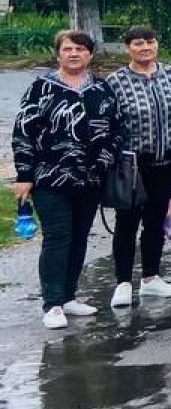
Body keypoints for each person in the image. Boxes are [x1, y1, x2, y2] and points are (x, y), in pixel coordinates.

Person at [14, 31, 120, 330]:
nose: (74, 54)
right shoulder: (41, 88)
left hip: (90, 179)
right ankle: (52, 304)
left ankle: (69, 296)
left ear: (90, 54)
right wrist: (24, 174)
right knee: (57, 237)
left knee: (79, 236)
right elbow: (23, 132)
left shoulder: (101, 88)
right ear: (58, 54)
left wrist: (105, 160)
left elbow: (116, 130)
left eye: (80, 49)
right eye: (68, 49)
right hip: (50, 178)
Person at [102, 26, 171, 307]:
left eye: (150, 42)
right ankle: (123, 283)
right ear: (128, 47)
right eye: (138, 43)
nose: (145, 48)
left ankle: (151, 278)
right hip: (132, 164)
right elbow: (108, 123)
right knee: (127, 222)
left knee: (156, 220)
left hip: (168, 160)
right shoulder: (116, 81)